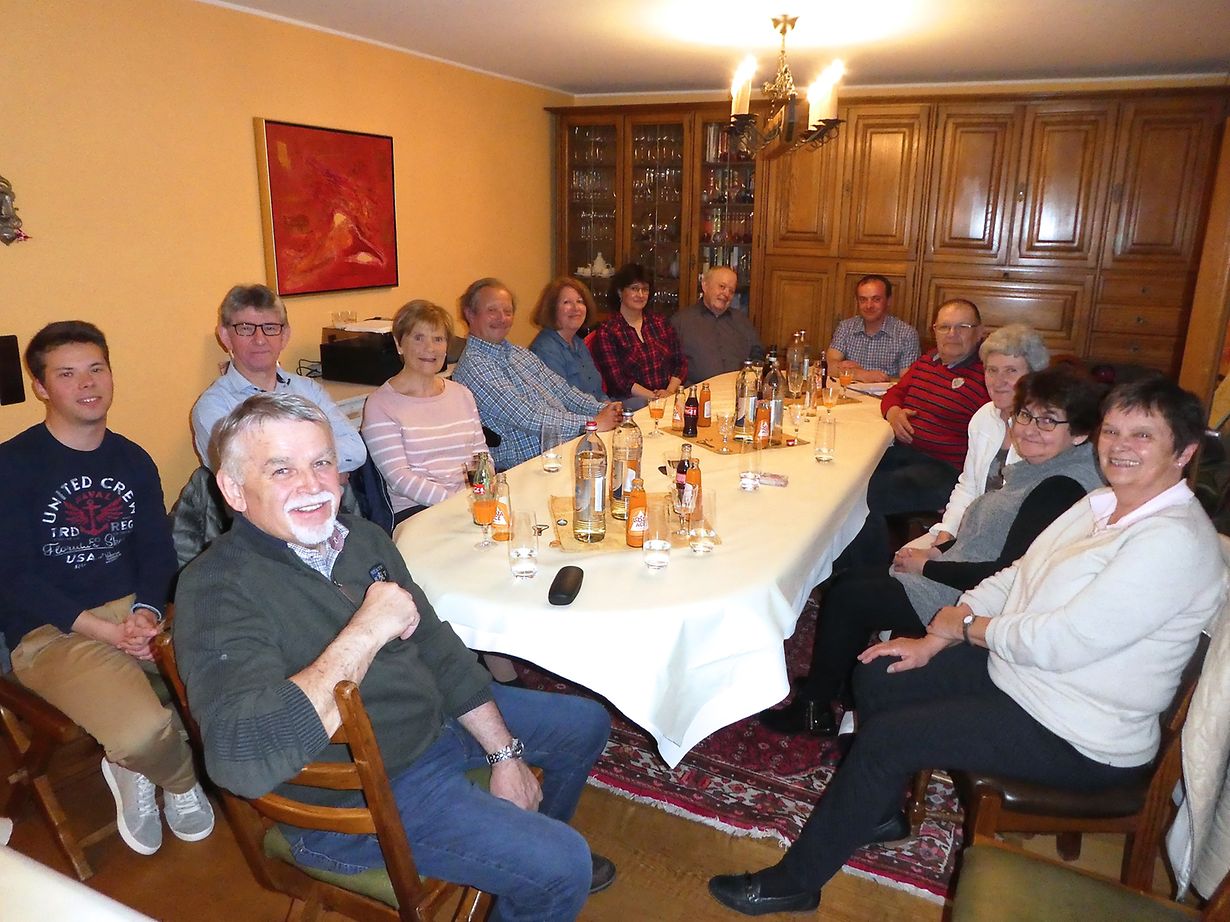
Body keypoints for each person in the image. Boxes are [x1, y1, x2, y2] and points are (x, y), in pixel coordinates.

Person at [710, 374, 1228, 916]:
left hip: (1080, 731)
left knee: (889, 739)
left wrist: (965, 629)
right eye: (1114, 430)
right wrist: (937, 636)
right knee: (881, 669)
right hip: (1026, 679)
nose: (1120, 446)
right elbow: (1020, 573)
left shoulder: (1171, 541)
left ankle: (796, 882)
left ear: (1184, 451)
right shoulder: (1103, 503)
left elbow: (1060, 643)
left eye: (1143, 435)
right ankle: (879, 812)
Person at [174, 393, 616, 921]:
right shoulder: (216, 588)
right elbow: (240, 761)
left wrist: (504, 753)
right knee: (564, 866)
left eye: (321, 462)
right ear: (233, 490)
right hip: (362, 796)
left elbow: (435, 646)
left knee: (586, 724)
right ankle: (540, 869)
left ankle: (525, 856)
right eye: (281, 470)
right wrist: (366, 629)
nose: (313, 485)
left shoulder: (361, 538)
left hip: (429, 722)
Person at [762, 365, 1105, 736]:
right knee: (855, 579)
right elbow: (990, 538)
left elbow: (1009, 572)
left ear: (1079, 432)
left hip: (973, 598)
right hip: (959, 571)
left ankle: (814, 707)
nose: (1030, 429)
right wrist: (938, 552)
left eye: (1048, 421)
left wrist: (927, 567)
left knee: (849, 597)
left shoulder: (1060, 488)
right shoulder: (1046, 468)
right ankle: (838, 684)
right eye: (1025, 415)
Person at [0, 321, 214, 857]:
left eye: (96, 368)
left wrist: (147, 612)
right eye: (66, 374)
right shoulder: (12, 465)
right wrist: (104, 631)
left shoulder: (132, 459)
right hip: (51, 632)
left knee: (237, 672)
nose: (87, 383)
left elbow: (156, 552)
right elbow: (14, 577)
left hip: (136, 616)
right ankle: (166, 774)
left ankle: (137, 759)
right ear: (41, 387)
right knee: (142, 733)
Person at [841, 299, 989, 567]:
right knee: (844, 477)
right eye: (944, 327)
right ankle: (841, 566)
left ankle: (868, 575)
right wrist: (894, 412)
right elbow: (895, 392)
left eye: (962, 327)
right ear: (935, 330)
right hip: (904, 455)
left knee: (860, 499)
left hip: (944, 470)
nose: (952, 334)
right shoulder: (928, 361)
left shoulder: (987, 376)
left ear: (979, 333)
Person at [190, 283, 366, 475]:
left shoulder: (309, 390)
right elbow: (245, 473)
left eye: (270, 328)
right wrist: (324, 466)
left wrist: (283, 463)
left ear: (285, 336)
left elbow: (355, 451)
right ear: (225, 336)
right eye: (246, 328)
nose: (259, 339)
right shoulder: (214, 406)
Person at [452, 277, 621, 471]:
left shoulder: (518, 353)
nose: (502, 318)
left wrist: (606, 409)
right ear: (470, 314)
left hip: (561, 450)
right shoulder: (475, 366)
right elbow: (528, 417)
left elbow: (563, 391)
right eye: (492, 311)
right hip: (527, 468)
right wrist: (591, 423)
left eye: (508, 311)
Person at [918, 323, 1050, 548]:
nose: (999, 381)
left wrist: (945, 555)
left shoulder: (1043, 432)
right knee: (900, 560)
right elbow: (968, 486)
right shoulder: (984, 417)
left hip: (1011, 546)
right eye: (992, 370)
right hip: (971, 532)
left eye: (1011, 371)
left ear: (1034, 376)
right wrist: (946, 533)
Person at [361, 299, 487, 524]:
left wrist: (481, 495)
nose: (430, 348)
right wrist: (459, 504)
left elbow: (481, 456)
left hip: (470, 503)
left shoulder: (462, 394)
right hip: (418, 512)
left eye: (438, 339)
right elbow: (400, 479)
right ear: (399, 344)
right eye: (419, 338)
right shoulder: (380, 405)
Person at [589, 263, 686, 408]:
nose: (640, 295)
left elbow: (680, 362)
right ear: (620, 292)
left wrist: (669, 392)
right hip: (632, 402)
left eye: (645, 289)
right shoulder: (608, 331)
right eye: (634, 289)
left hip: (668, 396)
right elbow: (618, 381)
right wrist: (654, 398)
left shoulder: (660, 323)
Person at [670, 265, 762, 385]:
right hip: (696, 393)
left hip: (736, 392)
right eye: (722, 287)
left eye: (731, 291)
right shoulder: (680, 322)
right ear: (705, 286)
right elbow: (670, 365)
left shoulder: (742, 322)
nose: (726, 294)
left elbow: (757, 354)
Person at [826, 275, 920, 382]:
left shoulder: (907, 334)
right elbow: (829, 367)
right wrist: (861, 374)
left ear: (888, 301)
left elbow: (907, 382)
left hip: (885, 391)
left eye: (876, 299)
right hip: (849, 391)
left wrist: (880, 379)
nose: (869, 306)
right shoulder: (846, 327)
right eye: (863, 300)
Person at [528, 277, 607, 402]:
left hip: (599, 409)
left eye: (580, 301)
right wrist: (602, 409)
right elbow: (562, 401)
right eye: (567, 302)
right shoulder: (545, 350)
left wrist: (609, 405)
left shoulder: (578, 343)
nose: (576, 308)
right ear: (552, 309)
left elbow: (597, 392)